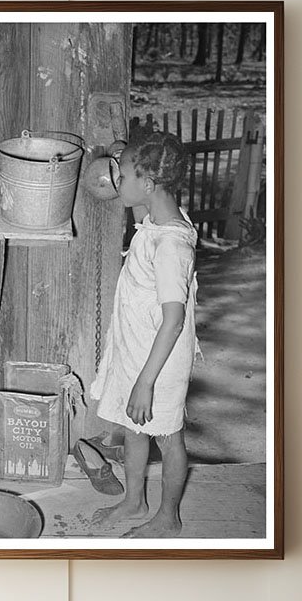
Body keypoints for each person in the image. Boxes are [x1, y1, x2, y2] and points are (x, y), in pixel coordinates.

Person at [89, 128, 198, 538]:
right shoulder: (156, 219)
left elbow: (173, 320)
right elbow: (140, 209)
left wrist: (145, 383)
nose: (117, 182)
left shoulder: (171, 247)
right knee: (134, 428)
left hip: (160, 363)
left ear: (149, 184)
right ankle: (135, 501)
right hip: (139, 348)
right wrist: (126, 157)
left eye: (123, 176)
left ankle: (168, 517)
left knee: (167, 437)